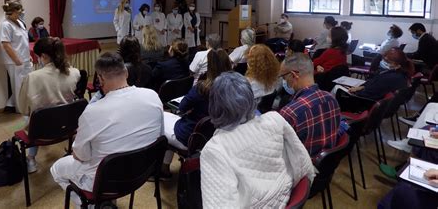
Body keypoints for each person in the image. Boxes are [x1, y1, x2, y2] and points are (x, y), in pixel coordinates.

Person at [51, 52, 163, 207]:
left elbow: (80, 156)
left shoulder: (92, 112)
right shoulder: (152, 96)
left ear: (100, 79)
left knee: (56, 169)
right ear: (126, 72)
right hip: (142, 173)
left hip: (105, 180)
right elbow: (159, 135)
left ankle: (91, 205)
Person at [201, 72, 315, 209]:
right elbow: (303, 163)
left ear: (214, 106)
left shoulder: (214, 149)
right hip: (286, 198)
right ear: (251, 98)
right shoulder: (275, 119)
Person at [162, 49, 231, 177]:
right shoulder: (233, 87)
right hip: (215, 135)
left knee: (161, 119)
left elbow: (182, 107)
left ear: (210, 65)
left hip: (191, 136)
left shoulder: (202, 88)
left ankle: (161, 168)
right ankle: (164, 166)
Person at [17, 37, 81, 173]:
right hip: (68, 126)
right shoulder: (75, 72)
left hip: (42, 131)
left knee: (30, 117)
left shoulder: (33, 77)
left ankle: (31, 159)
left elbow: (23, 108)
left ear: (44, 56)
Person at [279, 54, 341, 156]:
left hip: (302, 168)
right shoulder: (331, 99)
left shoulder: (290, 112)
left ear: (294, 75)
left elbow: (281, 151)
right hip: (325, 164)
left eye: (284, 77)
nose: (284, 81)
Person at [339, 48, 414, 101]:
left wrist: (354, 91)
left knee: (337, 89)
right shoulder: (399, 74)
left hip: (364, 102)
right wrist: (362, 86)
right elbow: (373, 83)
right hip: (373, 99)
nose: (382, 62)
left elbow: (368, 93)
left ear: (398, 65)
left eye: (387, 62)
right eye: (384, 60)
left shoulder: (389, 78)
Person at [0, 1, 33, 113]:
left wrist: (29, 56)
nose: (21, 13)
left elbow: (24, 42)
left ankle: (25, 104)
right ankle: (21, 109)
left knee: (26, 84)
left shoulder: (20, 22)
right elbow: (6, 44)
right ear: (12, 12)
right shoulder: (6, 25)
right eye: (19, 12)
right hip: (15, 61)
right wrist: (16, 59)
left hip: (25, 58)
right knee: (18, 87)